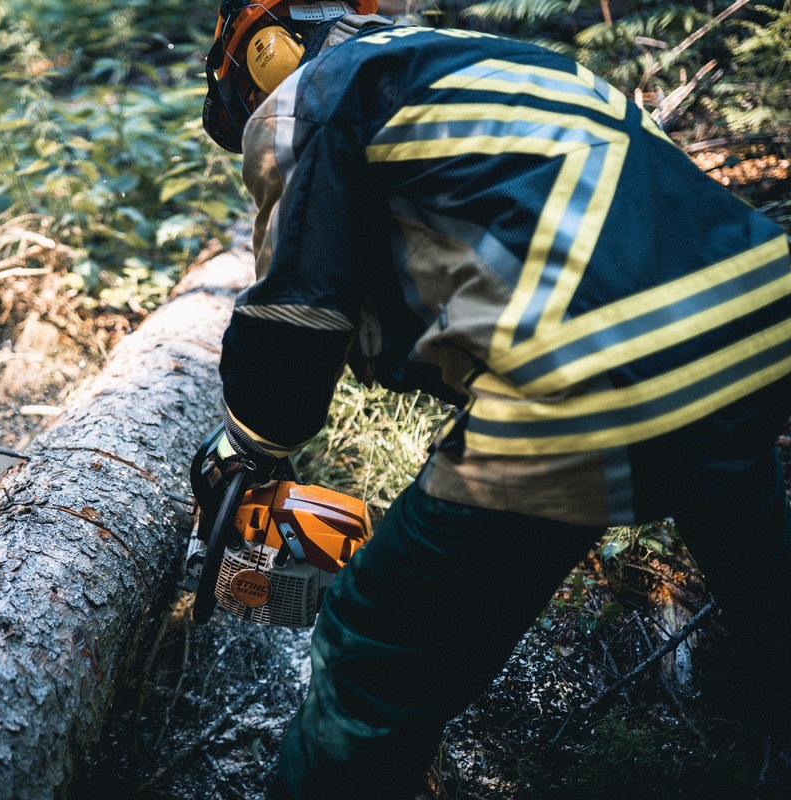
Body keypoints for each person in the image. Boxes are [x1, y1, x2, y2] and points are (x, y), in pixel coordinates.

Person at [193, 1, 791, 797]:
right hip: (757, 321)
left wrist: (248, 448)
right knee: (768, 598)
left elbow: (296, 316)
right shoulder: (471, 60)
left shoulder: (314, 96)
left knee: (373, 642)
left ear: (262, 53)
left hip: (592, 367)